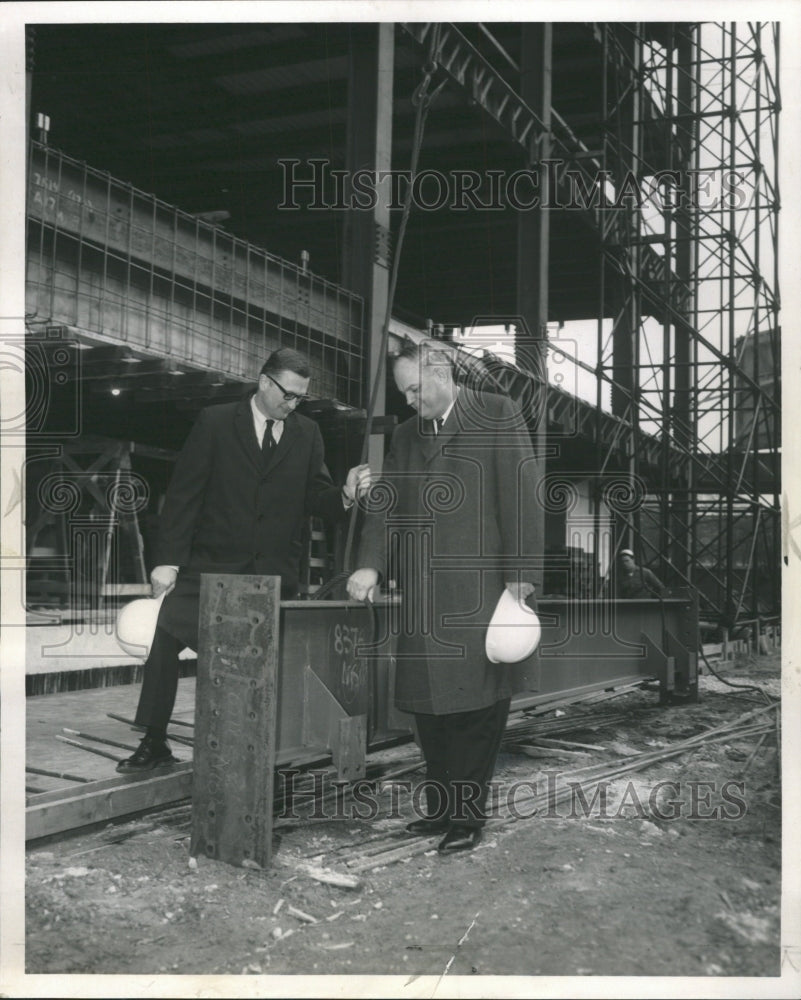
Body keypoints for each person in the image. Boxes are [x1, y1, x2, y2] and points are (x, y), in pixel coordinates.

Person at [117, 348, 371, 773]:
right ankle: (155, 740)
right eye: (288, 395)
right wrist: (169, 561)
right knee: (163, 637)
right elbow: (186, 493)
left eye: (300, 398)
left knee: (261, 664)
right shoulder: (216, 422)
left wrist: (344, 494)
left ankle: (256, 745)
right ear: (264, 382)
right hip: (210, 567)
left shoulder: (307, 433)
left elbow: (316, 497)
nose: (293, 405)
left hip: (271, 574)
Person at [346, 339, 540, 855]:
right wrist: (369, 563)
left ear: (442, 374)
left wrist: (522, 578)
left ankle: (467, 819)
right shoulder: (408, 434)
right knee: (429, 710)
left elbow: (522, 494)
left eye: (414, 389)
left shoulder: (497, 412)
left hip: (481, 589)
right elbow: (386, 505)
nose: (409, 400)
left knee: (476, 710)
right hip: (424, 593)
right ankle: (440, 811)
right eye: (403, 392)